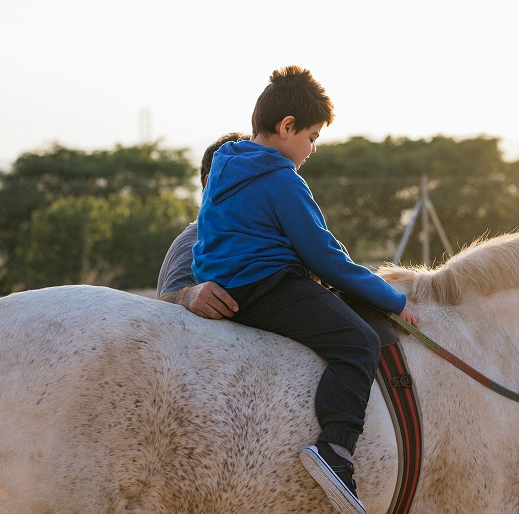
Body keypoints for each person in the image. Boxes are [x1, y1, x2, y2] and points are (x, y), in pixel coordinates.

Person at [192, 65, 419, 514]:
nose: (312, 148)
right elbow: (326, 258)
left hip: (226, 285)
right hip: (271, 286)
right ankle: (336, 450)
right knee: (359, 341)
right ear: (287, 127)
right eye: (311, 136)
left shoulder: (225, 164)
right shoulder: (281, 179)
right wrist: (393, 299)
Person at [156, 133, 245, 318]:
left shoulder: (227, 235)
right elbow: (163, 302)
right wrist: (188, 295)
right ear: (212, 182)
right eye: (243, 179)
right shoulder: (199, 240)